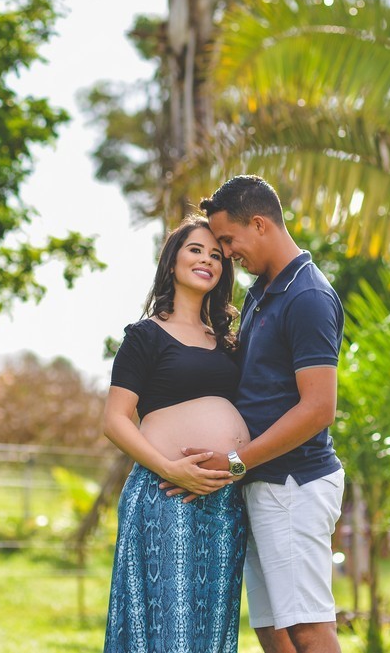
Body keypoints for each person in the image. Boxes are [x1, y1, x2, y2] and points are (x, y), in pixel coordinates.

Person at [174, 175, 346, 653]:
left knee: (308, 628)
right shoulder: (263, 292)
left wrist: (236, 462)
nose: (225, 252)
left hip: (294, 485)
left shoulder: (307, 297)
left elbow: (317, 409)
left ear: (259, 223)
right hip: (262, 483)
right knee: (273, 631)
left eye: (228, 240)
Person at [101, 216, 251, 653]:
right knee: (167, 627)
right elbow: (116, 419)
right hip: (165, 494)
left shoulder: (227, 341)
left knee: (210, 628)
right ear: (171, 262)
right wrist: (171, 469)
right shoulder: (145, 336)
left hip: (223, 503)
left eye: (217, 255)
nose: (207, 260)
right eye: (196, 250)